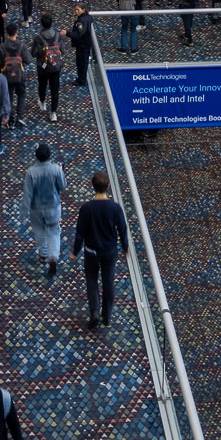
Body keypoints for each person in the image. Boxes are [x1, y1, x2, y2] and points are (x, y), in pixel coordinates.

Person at [71, 169, 130, 330]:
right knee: (108, 281)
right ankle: (107, 315)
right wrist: (125, 247)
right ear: (108, 186)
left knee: (91, 281)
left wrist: (75, 251)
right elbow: (122, 229)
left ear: (92, 186)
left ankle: (94, 312)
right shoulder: (115, 208)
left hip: (91, 251)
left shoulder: (86, 208)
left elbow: (80, 233)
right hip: (110, 251)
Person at [23, 142, 66, 275]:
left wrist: (24, 212)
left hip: (36, 208)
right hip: (53, 207)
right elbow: (63, 185)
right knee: (53, 231)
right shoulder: (56, 169)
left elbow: (27, 193)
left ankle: (43, 254)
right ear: (49, 156)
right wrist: (61, 171)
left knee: (39, 231)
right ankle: (53, 257)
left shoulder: (30, 172)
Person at [0, 21, 27, 125]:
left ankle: (10, 118)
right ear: (17, 32)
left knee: (9, 96)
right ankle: (20, 116)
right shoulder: (22, 45)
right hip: (20, 75)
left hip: (7, 75)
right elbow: (28, 60)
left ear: (7, 33)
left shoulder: (2, 46)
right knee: (21, 94)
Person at [32, 23, 63, 120]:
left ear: (42, 24)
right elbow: (63, 51)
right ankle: (53, 112)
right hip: (55, 67)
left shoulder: (38, 38)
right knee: (55, 90)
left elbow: (33, 53)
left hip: (43, 67)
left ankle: (42, 102)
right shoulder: (58, 36)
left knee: (42, 85)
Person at [68, 1, 94, 87]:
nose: (76, 12)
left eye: (78, 10)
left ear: (83, 10)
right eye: (75, 10)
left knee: (81, 63)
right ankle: (81, 78)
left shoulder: (82, 21)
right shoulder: (88, 18)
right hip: (85, 44)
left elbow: (78, 34)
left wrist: (67, 33)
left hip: (82, 45)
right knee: (83, 63)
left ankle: (81, 80)